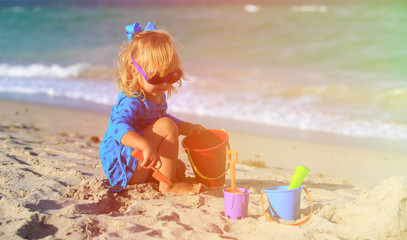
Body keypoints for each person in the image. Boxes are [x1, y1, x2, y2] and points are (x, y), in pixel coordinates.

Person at [99, 22, 205, 194]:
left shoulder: (155, 93)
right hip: (125, 167)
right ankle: (168, 186)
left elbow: (157, 120)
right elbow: (117, 127)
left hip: (139, 161)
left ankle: (162, 177)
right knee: (167, 125)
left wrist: (186, 127)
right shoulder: (132, 100)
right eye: (156, 77)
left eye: (172, 76)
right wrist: (144, 145)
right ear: (134, 71)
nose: (164, 83)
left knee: (178, 166)